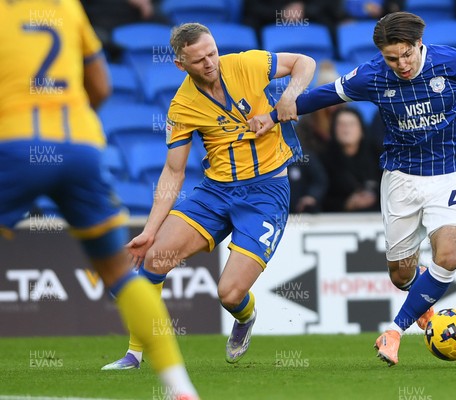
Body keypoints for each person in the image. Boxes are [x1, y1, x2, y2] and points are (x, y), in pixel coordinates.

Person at [249, 11, 456, 366]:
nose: (402, 64)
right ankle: (420, 293)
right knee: (401, 275)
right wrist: (273, 115)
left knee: (450, 256)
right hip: (401, 179)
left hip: (450, 173)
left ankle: (393, 331)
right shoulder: (373, 76)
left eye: (407, 54)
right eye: (392, 58)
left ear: (418, 44)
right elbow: (324, 96)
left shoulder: (453, 62)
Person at [0, 1, 198, 399]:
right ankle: (179, 387)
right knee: (120, 273)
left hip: (16, 144)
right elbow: (102, 87)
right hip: (81, 146)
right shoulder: (67, 8)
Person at [101, 22, 315, 369]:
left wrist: (289, 95)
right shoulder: (182, 107)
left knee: (229, 293)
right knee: (156, 257)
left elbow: (304, 62)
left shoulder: (246, 63)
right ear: (180, 65)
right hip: (215, 191)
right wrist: (150, 230)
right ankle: (134, 355)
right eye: (199, 60)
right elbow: (173, 172)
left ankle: (245, 317)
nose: (210, 63)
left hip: (265, 192)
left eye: (212, 53)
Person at [321, 107, 382, 212]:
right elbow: (321, 197)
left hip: (378, 218)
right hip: (338, 221)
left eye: (351, 124)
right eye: (341, 125)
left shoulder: (378, 155)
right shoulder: (323, 159)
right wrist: (346, 204)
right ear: (333, 129)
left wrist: (374, 196)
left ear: (362, 129)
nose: (346, 129)